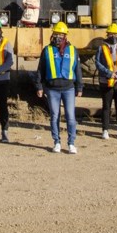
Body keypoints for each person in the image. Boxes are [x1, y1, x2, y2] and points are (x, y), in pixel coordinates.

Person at [34, 22, 82, 154]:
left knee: (71, 117)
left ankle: (71, 143)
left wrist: (80, 86)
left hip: (69, 89)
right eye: (56, 33)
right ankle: (57, 142)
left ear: (65, 35)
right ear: (52, 34)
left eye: (61, 34)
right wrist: (39, 86)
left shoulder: (73, 50)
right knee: (54, 116)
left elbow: (78, 70)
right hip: (52, 89)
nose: (58, 36)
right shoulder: (47, 50)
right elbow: (40, 70)